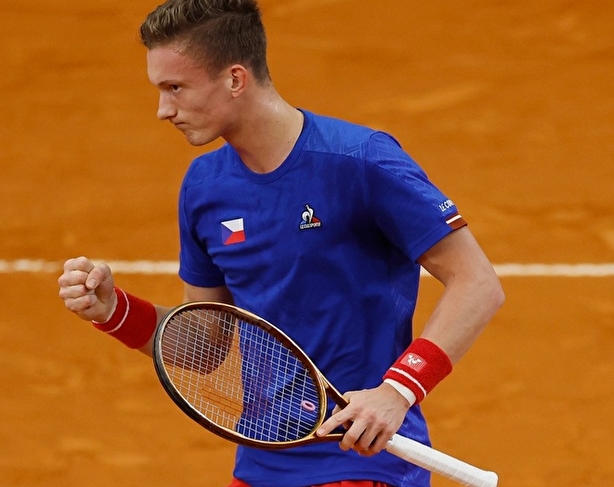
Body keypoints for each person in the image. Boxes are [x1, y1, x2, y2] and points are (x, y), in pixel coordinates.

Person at [57, 1, 505, 486]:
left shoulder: (360, 161)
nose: (164, 110)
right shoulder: (204, 187)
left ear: (235, 79)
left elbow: (477, 283)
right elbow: (206, 342)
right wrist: (114, 311)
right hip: (262, 466)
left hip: (361, 463)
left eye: (175, 88)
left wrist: (397, 392)